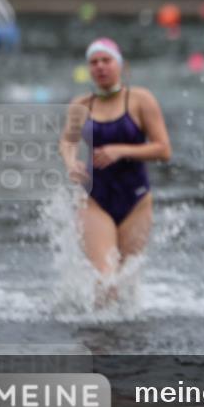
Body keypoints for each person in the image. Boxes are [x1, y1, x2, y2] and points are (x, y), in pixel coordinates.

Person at [60, 38, 171, 304]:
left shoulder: (141, 100)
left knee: (125, 281)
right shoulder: (81, 104)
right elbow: (67, 141)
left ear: (120, 65)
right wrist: (71, 162)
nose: (100, 67)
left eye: (106, 60)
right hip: (95, 199)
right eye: (93, 62)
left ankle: (124, 330)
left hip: (136, 200)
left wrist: (121, 150)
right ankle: (99, 329)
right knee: (104, 278)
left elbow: (163, 149)